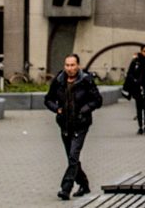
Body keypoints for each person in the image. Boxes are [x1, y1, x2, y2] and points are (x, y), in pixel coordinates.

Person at [44, 53, 102, 200]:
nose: (69, 68)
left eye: (72, 65)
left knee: (73, 156)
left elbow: (97, 100)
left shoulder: (86, 80)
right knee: (72, 159)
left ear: (78, 66)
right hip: (64, 124)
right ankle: (84, 185)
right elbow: (48, 99)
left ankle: (66, 188)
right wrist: (57, 109)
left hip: (81, 124)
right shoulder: (59, 80)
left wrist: (85, 109)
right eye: (67, 65)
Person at [123, 45, 145, 135]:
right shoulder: (135, 61)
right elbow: (130, 73)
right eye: (144, 51)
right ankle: (140, 127)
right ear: (141, 51)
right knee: (138, 107)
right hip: (137, 87)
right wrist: (134, 80)